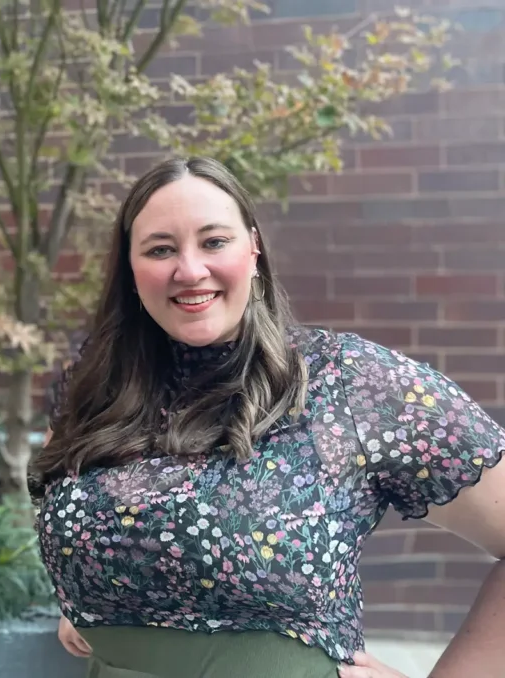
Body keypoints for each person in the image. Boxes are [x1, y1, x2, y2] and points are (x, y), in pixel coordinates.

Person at [28, 156, 505, 678]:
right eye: (160, 249)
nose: (189, 270)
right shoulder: (97, 382)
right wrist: (87, 583)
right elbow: (55, 487)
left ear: (253, 250)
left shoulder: (350, 381)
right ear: (131, 268)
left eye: (214, 242)